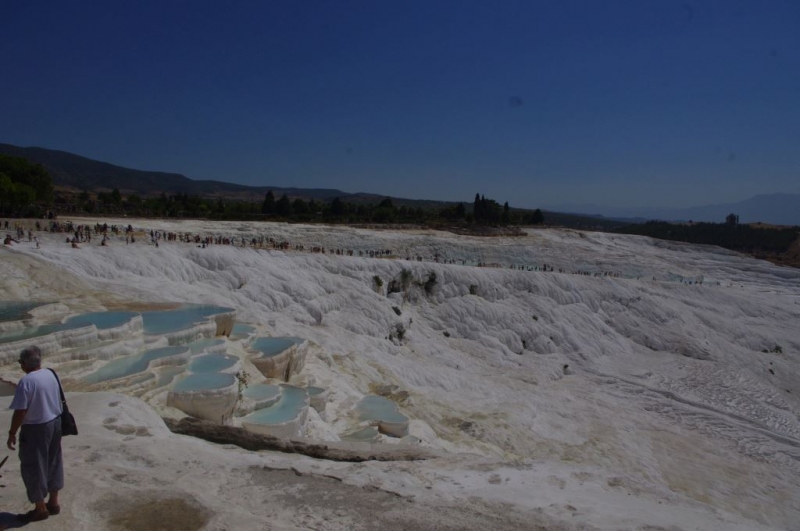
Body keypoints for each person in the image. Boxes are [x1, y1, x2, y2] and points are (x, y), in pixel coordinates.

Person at [6, 346, 64, 523]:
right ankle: (53, 503)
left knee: (33, 466)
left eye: (20, 362)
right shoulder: (51, 374)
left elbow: (21, 411)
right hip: (55, 423)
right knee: (53, 461)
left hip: (36, 428)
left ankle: (40, 509)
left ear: (24, 363)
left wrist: (12, 432)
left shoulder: (27, 381)